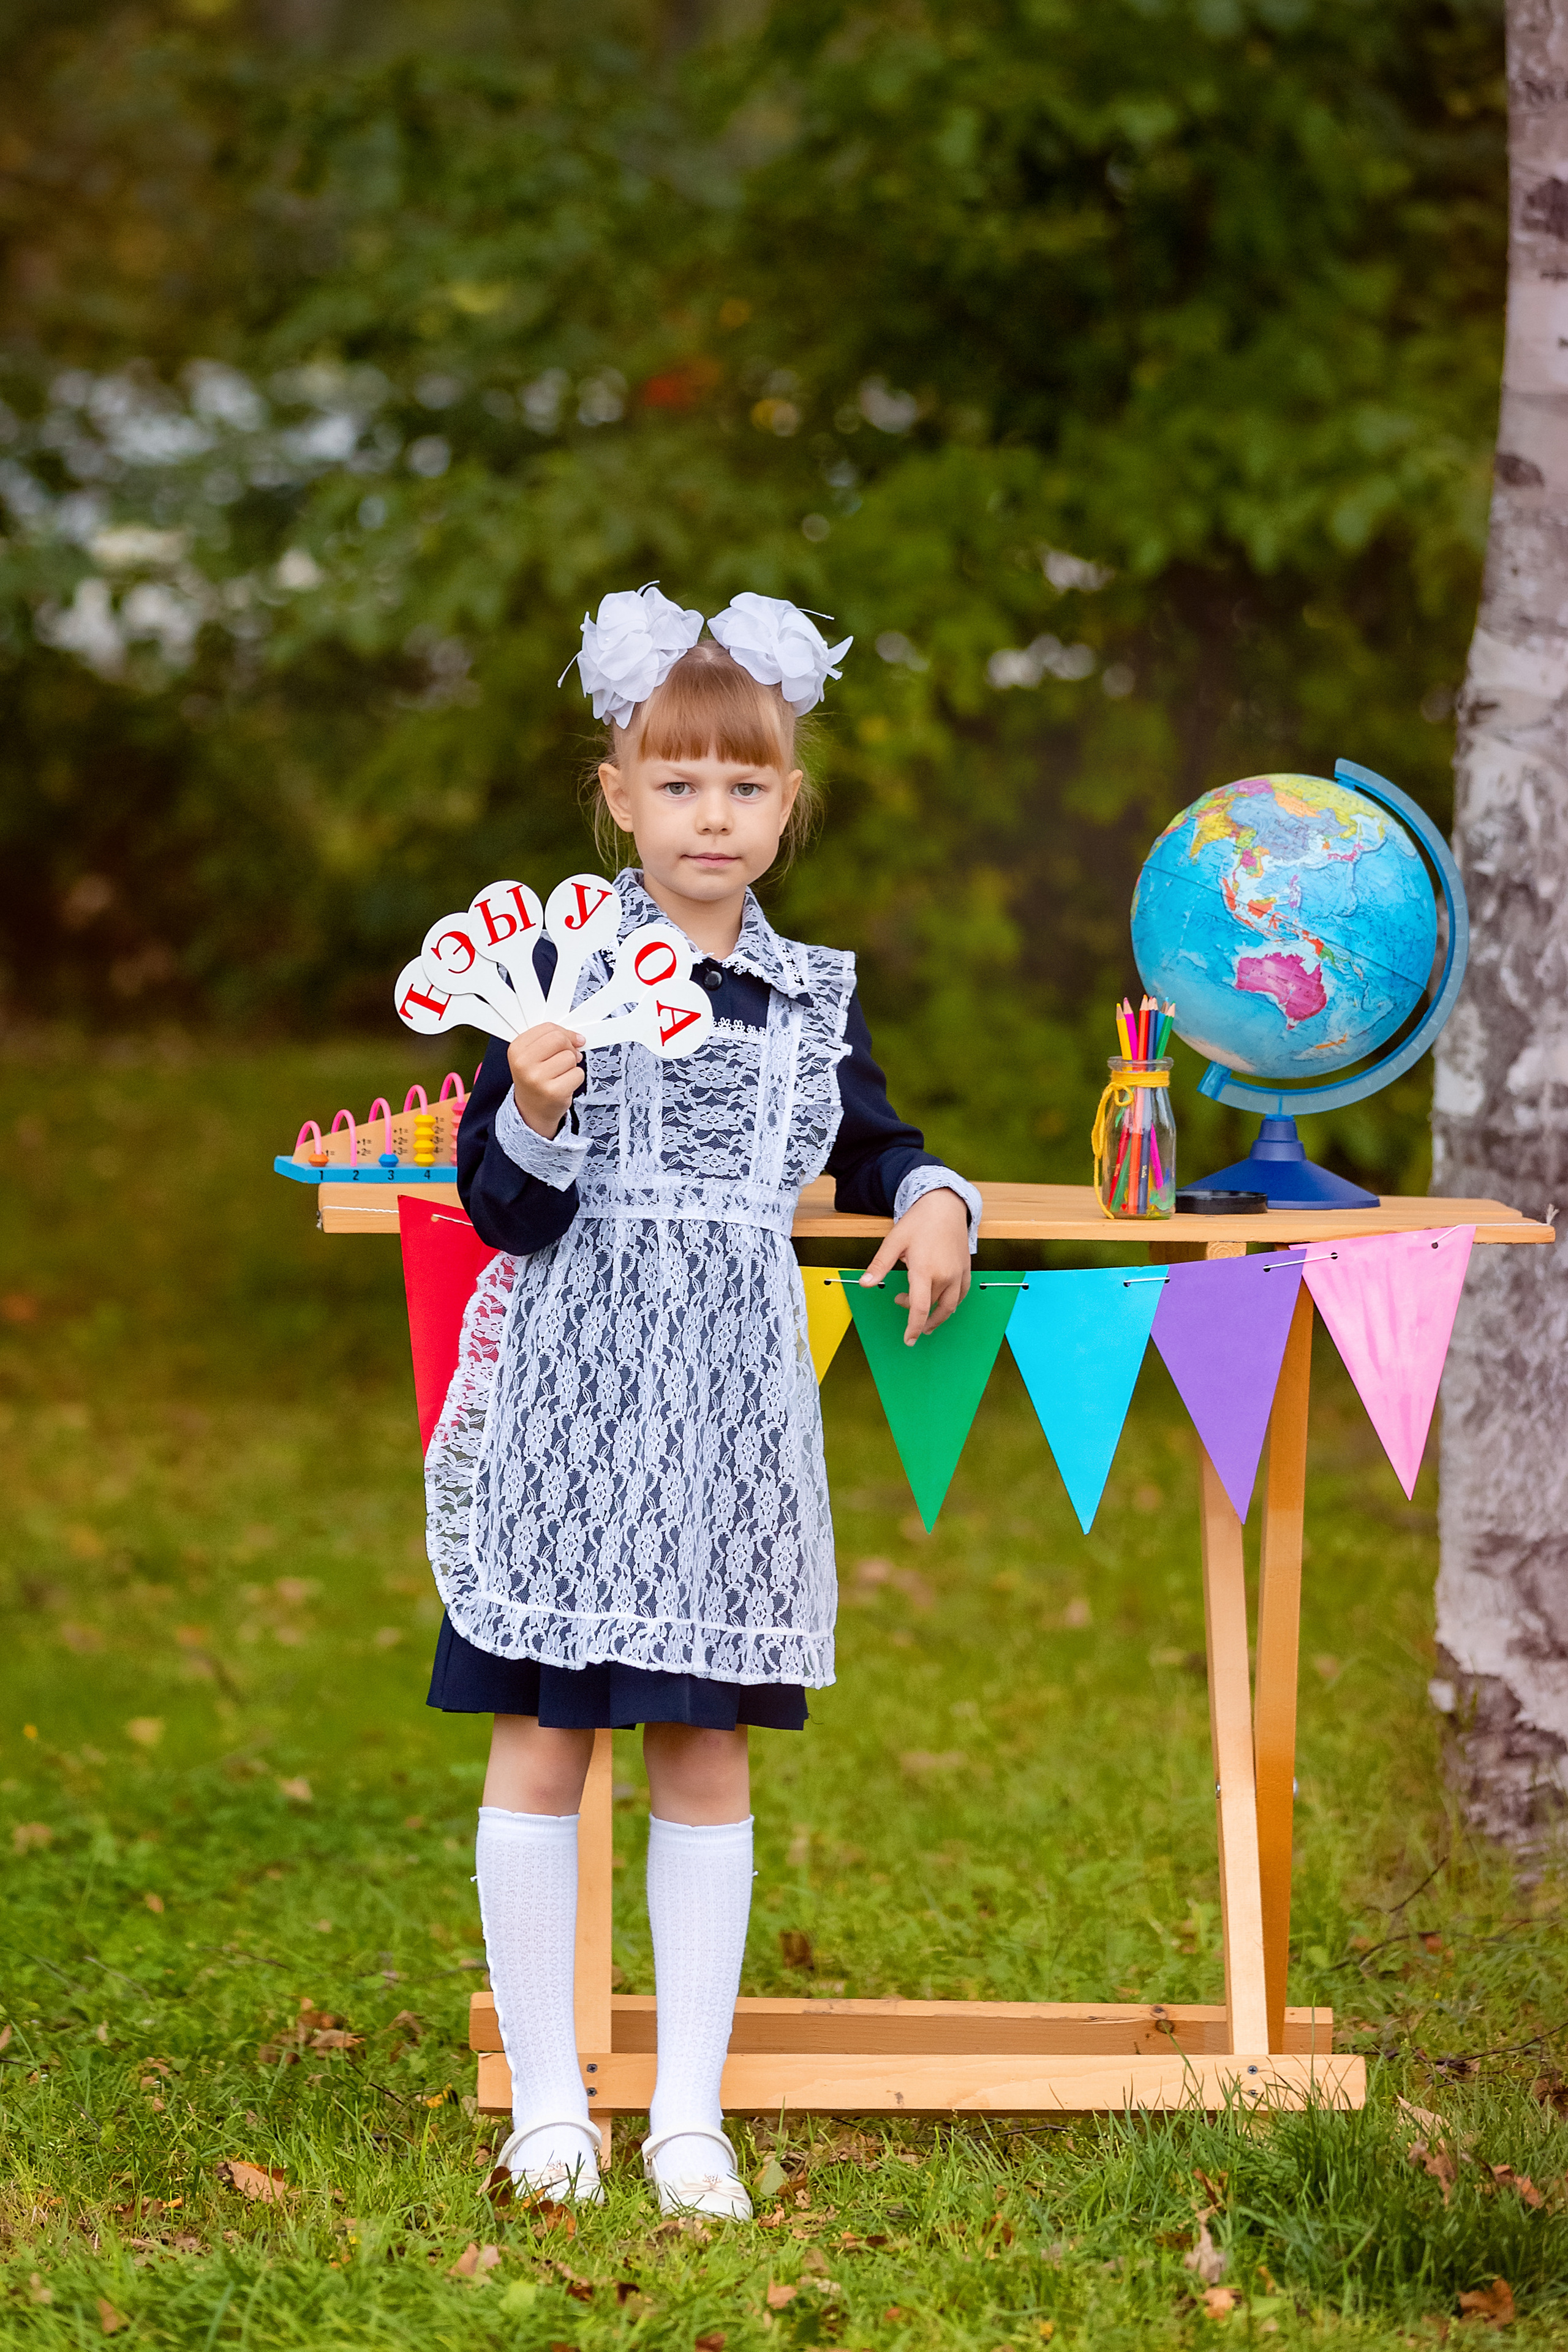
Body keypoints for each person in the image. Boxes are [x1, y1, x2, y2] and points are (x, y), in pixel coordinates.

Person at [424, 584, 980, 2217]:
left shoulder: (809, 999)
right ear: (619, 795)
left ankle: (684, 2118)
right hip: (572, 1415)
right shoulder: (554, 967)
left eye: (744, 786)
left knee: (704, 1755)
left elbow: (872, 1141)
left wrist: (932, 1190)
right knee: (539, 1744)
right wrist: (526, 1104)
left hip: (728, 1423)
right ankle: (546, 2109)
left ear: (786, 801)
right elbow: (505, 1216)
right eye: (677, 784)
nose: (710, 815)